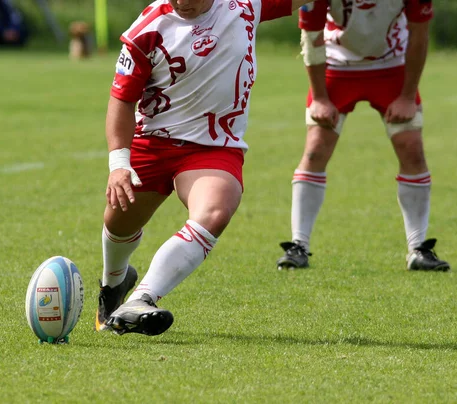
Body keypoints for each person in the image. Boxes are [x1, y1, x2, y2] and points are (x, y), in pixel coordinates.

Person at [95, 0, 314, 336]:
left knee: (215, 209)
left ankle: (141, 299)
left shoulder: (244, 5)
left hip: (213, 148)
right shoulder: (146, 30)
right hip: (152, 141)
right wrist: (119, 164)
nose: (184, 2)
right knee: (119, 220)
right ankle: (114, 283)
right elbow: (121, 100)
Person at [276, 0, 450, 271]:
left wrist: (406, 96)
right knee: (315, 149)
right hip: (336, 66)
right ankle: (299, 246)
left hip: (392, 66)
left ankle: (418, 248)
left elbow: (419, 34)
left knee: (412, 149)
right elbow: (311, 34)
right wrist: (320, 97)